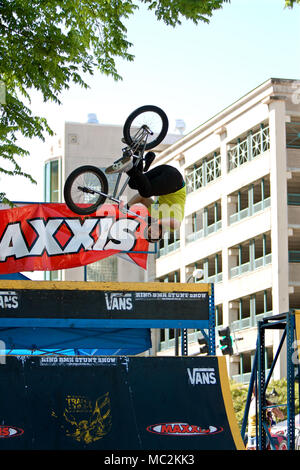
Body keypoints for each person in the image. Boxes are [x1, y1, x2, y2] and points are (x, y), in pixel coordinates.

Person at [106, 151, 186, 241]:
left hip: (164, 172)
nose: (153, 232)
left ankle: (138, 154)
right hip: (175, 182)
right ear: (160, 233)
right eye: (156, 234)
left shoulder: (154, 213)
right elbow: (176, 223)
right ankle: (129, 168)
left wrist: (127, 206)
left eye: (150, 232)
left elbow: (142, 199)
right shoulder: (170, 227)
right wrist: (158, 222)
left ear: (148, 228)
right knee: (146, 191)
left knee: (134, 183)